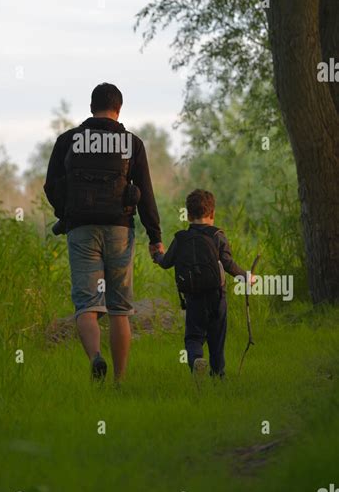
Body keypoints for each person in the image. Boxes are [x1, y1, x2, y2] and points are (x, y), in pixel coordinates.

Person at [44, 83, 163, 382]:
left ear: (90, 107)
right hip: (119, 229)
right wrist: (155, 237)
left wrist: (66, 214)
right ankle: (119, 381)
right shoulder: (131, 143)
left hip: (81, 228)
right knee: (119, 309)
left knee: (87, 305)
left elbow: (51, 186)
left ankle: (96, 357)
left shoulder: (68, 140)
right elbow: (146, 193)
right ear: (119, 109)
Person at [153, 188, 252, 380]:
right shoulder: (217, 236)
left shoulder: (180, 239)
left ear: (188, 215)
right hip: (217, 297)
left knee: (193, 337)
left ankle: (197, 359)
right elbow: (228, 264)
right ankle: (218, 376)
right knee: (217, 339)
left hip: (194, 298)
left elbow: (166, 263)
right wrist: (246, 277)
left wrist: (157, 255)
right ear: (213, 214)